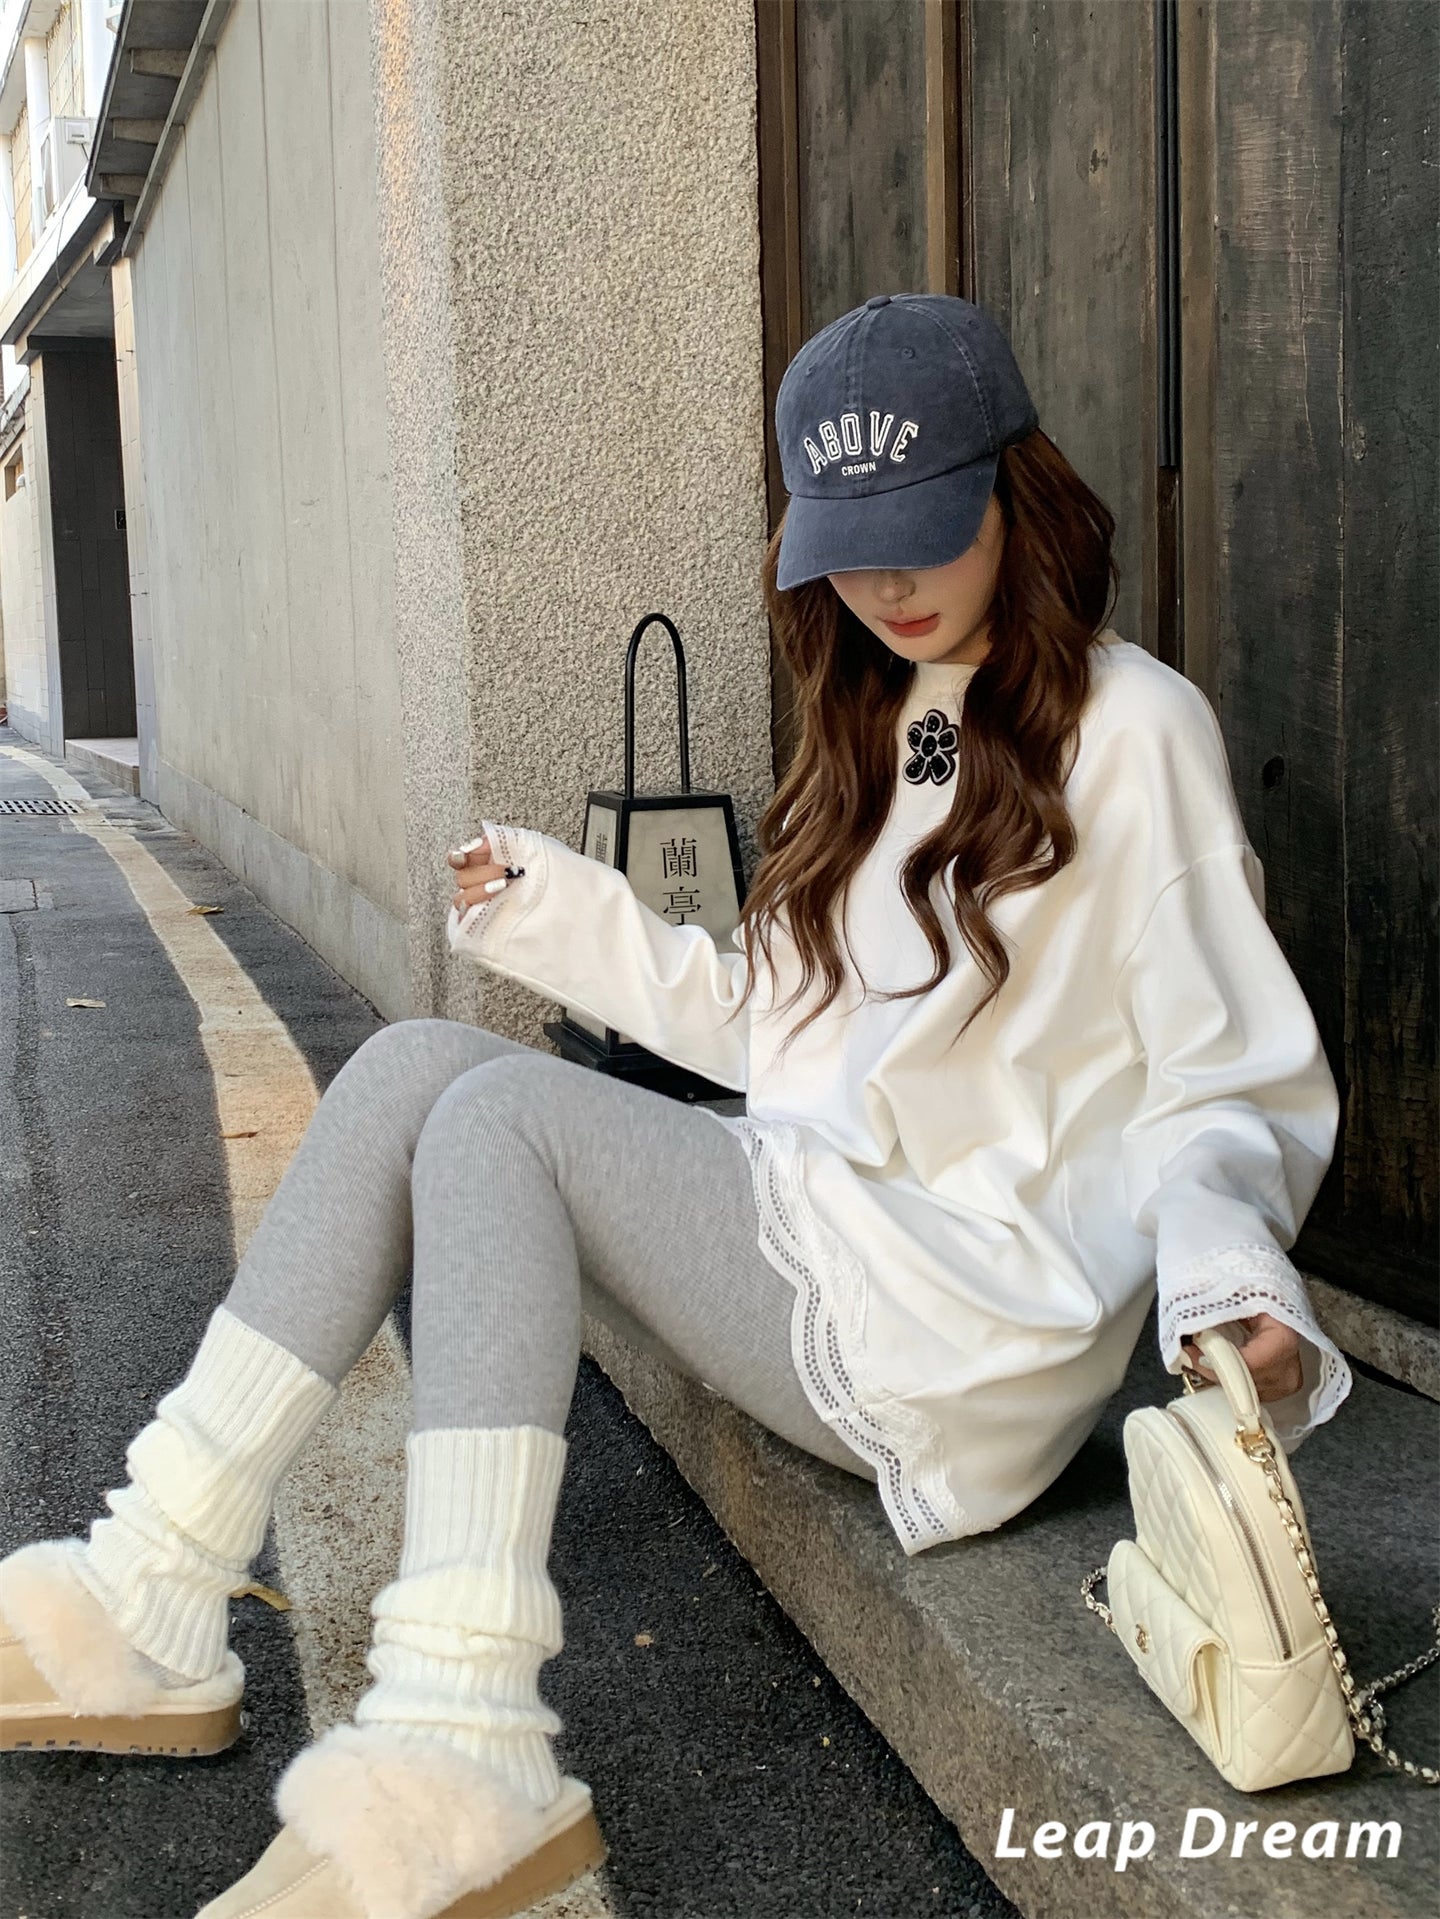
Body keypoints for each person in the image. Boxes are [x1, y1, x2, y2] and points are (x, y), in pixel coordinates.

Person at [0, 293, 1348, 1919]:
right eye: (850, 549)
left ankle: (463, 1741)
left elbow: (1222, 1070)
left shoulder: (1136, 730)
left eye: (925, 532)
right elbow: (774, 1026)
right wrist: (556, 908)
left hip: (970, 1315)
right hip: (833, 1217)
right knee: (421, 1064)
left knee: (502, 1124)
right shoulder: (892, 716)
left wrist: (1228, 1278)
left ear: (1020, 491)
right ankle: (150, 1582)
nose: (888, 586)